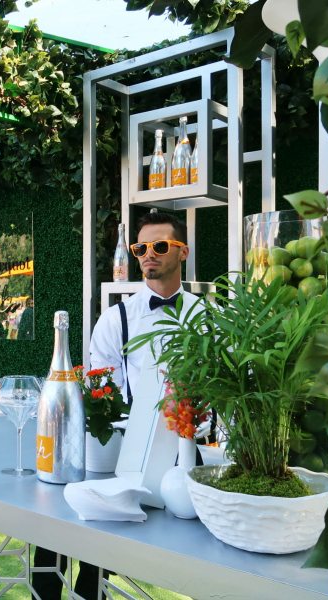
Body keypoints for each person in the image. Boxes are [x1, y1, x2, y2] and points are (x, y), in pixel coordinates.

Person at [32, 210, 198, 599]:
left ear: (183, 252)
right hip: (122, 450)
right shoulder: (115, 320)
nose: (148, 255)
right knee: (59, 523)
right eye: (141, 248)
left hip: (184, 456)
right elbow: (104, 394)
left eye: (160, 246)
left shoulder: (206, 317)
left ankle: (94, 590)